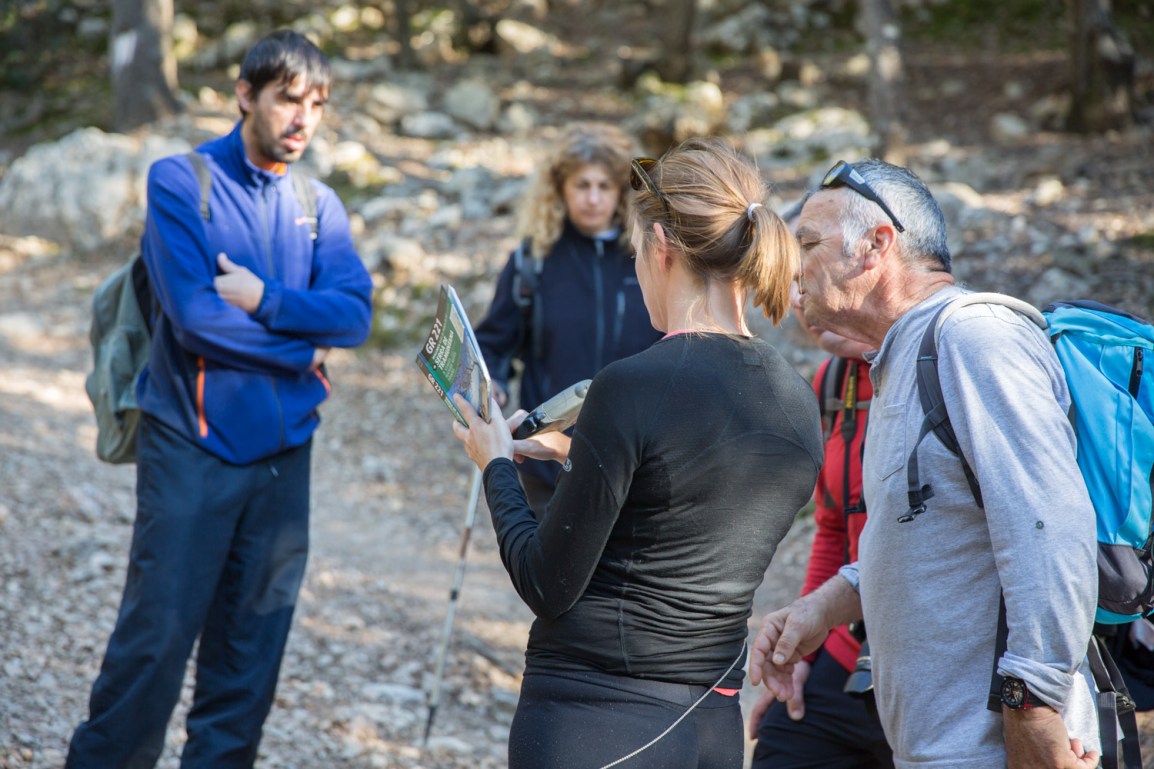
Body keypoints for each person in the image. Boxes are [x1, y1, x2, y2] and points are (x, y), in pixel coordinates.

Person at [452, 136, 823, 769]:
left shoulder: (633, 384)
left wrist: (494, 463)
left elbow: (546, 581)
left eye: (635, 253)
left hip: (591, 722)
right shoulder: (796, 400)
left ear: (661, 248)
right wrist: (580, 450)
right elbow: (683, 494)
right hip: (710, 726)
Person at [66, 30, 373, 769]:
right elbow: (197, 319)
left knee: (250, 657)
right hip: (190, 444)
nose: (303, 119)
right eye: (287, 99)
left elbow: (356, 313)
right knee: (155, 643)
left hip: (283, 457)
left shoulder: (318, 204)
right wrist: (302, 347)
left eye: (318, 105)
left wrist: (265, 297)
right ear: (245, 95)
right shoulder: (182, 182)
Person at [749, 159, 1101, 769]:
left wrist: (1034, 708)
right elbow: (925, 543)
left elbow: (1051, 533)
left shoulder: (974, 339)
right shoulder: (897, 362)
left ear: (876, 246)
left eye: (807, 244)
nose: (793, 266)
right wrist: (818, 611)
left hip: (1003, 748)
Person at [472, 122, 663, 514]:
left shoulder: (649, 259)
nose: (593, 199)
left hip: (638, 460)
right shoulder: (534, 260)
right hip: (547, 464)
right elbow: (493, 342)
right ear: (560, 189)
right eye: (581, 185)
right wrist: (491, 382)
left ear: (622, 192)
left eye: (604, 186)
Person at [748, 281, 893, 769]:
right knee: (780, 744)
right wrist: (804, 656)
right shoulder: (834, 383)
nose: (797, 297)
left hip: (937, 672)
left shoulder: (942, 371)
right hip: (849, 651)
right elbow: (833, 527)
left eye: (809, 269)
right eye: (791, 281)